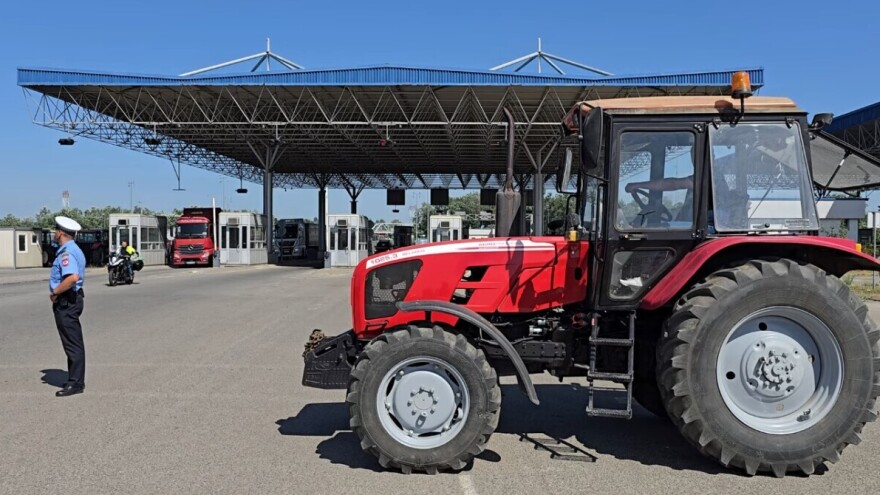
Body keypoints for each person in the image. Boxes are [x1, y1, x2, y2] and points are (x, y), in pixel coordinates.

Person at [49, 216, 87, 397]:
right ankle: (75, 378)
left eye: (56, 230)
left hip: (67, 300)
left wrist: (55, 292)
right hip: (71, 299)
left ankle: (76, 383)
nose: (54, 233)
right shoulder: (72, 249)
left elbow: (72, 278)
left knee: (72, 343)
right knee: (72, 342)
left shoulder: (67, 252)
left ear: (61, 232)